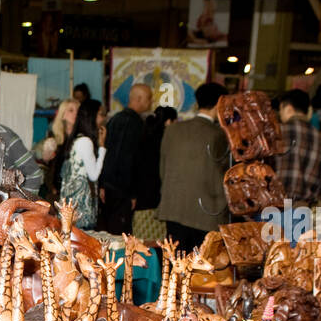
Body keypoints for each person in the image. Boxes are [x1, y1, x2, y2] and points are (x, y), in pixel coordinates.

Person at [159, 82, 229, 253]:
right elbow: (225, 174)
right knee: (201, 270)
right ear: (220, 103)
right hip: (206, 212)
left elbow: (163, 169)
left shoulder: (173, 130)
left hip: (173, 207)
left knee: (176, 265)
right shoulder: (219, 135)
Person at [98, 83, 151, 234]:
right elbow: (130, 160)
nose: (150, 103)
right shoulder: (136, 124)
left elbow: (106, 153)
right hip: (122, 190)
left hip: (108, 186)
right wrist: (132, 193)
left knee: (108, 232)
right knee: (120, 235)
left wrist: (102, 184)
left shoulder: (114, 119)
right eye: (149, 99)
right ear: (139, 99)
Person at [272, 89, 321, 208]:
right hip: (300, 213)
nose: (280, 114)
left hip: (270, 209)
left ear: (288, 108)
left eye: (281, 110)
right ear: (308, 111)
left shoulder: (273, 135)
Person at [57, 98, 106, 230]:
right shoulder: (85, 141)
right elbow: (94, 175)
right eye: (101, 114)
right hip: (81, 208)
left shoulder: (77, 139)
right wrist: (102, 148)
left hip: (71, 206)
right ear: (92, 116)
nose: (103, 118)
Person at [132, 104, 177, 239]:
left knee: (143, 241)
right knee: (161, 242)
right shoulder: (166, 141)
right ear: (169, 122)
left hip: (142, 197)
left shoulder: (144, 136)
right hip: (157, 198)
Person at [36, 99, 78, 199]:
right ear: (62, 114)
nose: (76, 113)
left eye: (78, 110)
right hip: (57, 193)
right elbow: (46, 169)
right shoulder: (55, 141)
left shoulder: (81, 139)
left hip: (75, 192)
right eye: (71, 110)